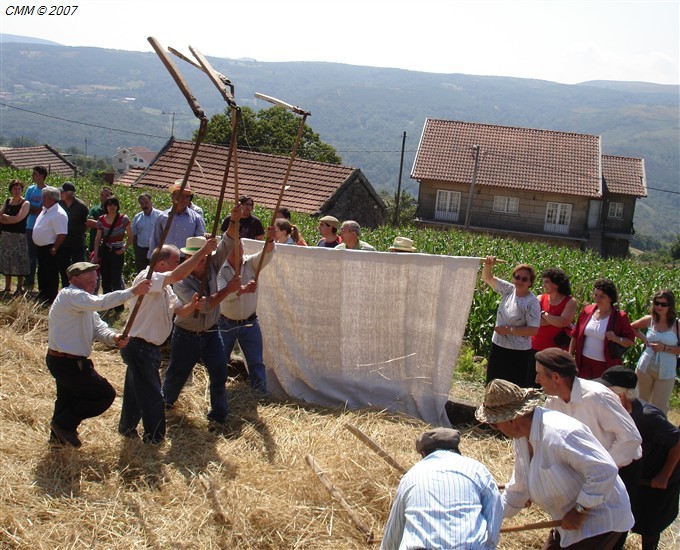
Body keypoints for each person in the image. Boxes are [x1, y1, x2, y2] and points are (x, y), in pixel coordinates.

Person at [475, 379, 634, 550]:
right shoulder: (521, 437)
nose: (495, 428)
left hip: (599, 521)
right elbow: (518, 489)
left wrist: (580, 510)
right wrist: (487, 517)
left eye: (494, 424)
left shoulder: (561, 434)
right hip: (566, 523)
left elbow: (604, 470)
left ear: (511, 420)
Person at [118, 238, 219, 444]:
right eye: (176, 261)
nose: (178, 266)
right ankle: (154, 438)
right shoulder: (147, 278)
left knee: (135, 392)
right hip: (139, 346)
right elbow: (177, 275)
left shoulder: (165, 289)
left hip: (148, 348)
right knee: (153, 396)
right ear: (162, 264)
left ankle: (127, 428)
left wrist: (192, 305)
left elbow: (179, 311)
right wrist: (203, 252)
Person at [46, 261, 151, 447]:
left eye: (95, 281)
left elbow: (98, 327)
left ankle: (58, 441)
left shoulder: (84, 301)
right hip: (66, 362)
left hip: (68, 361)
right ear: (74, 279)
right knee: (103, 395)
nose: (93, 284)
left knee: (67, 399)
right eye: (89, 281)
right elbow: (101, 303)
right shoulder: (70, 295)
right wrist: (132, 291)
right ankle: (63, 425)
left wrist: (114, 337)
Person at [594, 366, 680, 550]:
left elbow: (678, 441)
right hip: (636, 477)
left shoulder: (647, 417)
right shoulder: (612, 414)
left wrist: (664, 475)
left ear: (621, 395)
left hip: (659, 478)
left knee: (649, 525)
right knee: (622, 520)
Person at [162, 232, 244, 426]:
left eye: (205, 257)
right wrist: (229, 289)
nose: (202, 262)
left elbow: (228, 243)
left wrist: (233, 221)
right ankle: (164, 405)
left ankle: (218, 415)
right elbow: (205, 305)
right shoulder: (181, 282)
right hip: (186, 335)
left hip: (211, 332)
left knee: (219, 373)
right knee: (177, 374)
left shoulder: (212, 265)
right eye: (198, 258)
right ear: (189, 259)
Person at [381, 427, 502, 550]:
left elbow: (394, 531)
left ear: (423, 453)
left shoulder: (411, 475)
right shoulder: (477, 470)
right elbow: (495, 512)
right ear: (456, 449)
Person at [534, 347, 642, 469]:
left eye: (539, 374)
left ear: (556, 377)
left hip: (621, 469)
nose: (536, 380)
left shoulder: (597, 397)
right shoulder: (552, 403)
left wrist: (602, 467)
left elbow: (630, 438)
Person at [217, 207, 276, 392]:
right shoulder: (220, 268)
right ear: (228, 252)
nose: (240, 251)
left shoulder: (250, 262)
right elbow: (222, 295)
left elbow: (265, 255)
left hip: (250, 322)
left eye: (241, 248)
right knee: (220, 361)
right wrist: (242, 290)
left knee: (256, 362)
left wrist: (271, 240)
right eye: (235, 249)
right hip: (225, 323)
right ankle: (217, 392)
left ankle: (260, 395)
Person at [481, 256, 540, 386]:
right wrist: (488, 265)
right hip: (498, 346)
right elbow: (487, 278)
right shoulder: (508, 290)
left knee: (512, 390)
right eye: (517, 277)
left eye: (524, 279)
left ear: (530, 282)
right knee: (493, 385)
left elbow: (534, 329)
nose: (519, 281)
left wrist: (509, 330)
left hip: (518, 352)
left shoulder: (532, 302)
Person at [569, 278, 635, 380]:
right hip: (583, 364)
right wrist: (570, 356)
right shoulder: (587, 311)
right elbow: (575, 335)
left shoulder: (620, 317)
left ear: (610, 298)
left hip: (605, 366)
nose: (597, 299)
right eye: (595, 295)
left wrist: (616, 338)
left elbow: (630, 341)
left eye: (602, 297)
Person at [631, 289, 679, 414]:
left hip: (666, 370)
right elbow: (631, 327)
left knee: (660, 408)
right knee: (640, 403)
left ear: (670, 305)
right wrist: (644, 339)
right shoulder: (650, 319)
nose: (659, 306)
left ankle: (658, 433)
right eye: (657, 303)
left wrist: (664, 348)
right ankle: (639, 432)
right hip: (645, 367)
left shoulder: (677, 324)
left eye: (663, 304)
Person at [530, 267, 577, 385]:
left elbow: (564, 322)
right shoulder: (540, 298)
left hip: (555, 351)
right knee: (531, 381)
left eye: (547, 282)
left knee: (552, 384)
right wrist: (554, 319)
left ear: (556, 284)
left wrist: (544, 314)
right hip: (535, 346)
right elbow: (532, 320)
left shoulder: (570, 302)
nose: (543, 285)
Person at [92, 196, 132, 315]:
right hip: (106, 252)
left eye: (114, 204)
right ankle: (107, 304)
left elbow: (130, 236)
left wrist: (124, 248)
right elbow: (98, 238)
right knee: (106, 279)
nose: (112, 207)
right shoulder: (101, 220)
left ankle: (118, 306)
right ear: (106, 206)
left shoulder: (123, 219)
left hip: (117, 252)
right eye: (109, 204)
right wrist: (96, 255)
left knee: (116, 279)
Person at [148, 181, 206, 259]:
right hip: (165, 260)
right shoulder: (162, 217)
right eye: (181, 195)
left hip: (186, 260)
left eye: (187, 196)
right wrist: (152, 258)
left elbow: (201, 242)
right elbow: (155, 239)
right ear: (173, 196)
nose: (184, 199)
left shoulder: (196, 219)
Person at [32, 186, 68, 305]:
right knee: (42, 272)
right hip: (41, 247)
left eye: (44, 197)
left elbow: (62, 233)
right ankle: (43, 294)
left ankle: (50, 297)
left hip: (50, 248)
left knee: (50, 273)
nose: (42, 199)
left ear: (51, 199)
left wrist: (54, 248)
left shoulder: (59, 213)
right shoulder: (45, 210)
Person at [57, 182, 90, 288]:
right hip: (63, 242)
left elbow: (87, 223)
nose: (60, 193)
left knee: (78, 268)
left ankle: (79, 290)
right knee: (63, 268)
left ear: (70, 193)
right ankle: (65, 288)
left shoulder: (81, 206)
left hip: (77, 243)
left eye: (62, 192)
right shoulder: (59, 204)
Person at [0, 179, 30, 295]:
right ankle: (7, 286)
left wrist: (6, 217)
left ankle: (19, 287)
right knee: (7, 259)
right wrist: (10, 220)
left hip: (19, 236)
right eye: (14, 188)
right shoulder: (8, 201)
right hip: (6, 235)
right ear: (11, 189)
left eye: (19, 189)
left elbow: (18, 219)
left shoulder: (25, 203)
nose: (17, 191)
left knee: (19, 260)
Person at [24, 166, 48, 289]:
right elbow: (26, 206)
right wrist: (35, 209)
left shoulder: (48, 191)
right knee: (30, 255)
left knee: (41, 256)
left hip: (42, 228)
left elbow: (44, 210)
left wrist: (34, 209)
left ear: (42, 176)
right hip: (30, 226)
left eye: (35, 173)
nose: (33, 175)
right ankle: (29, 280)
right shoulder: (30, 189)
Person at [131, 193, 161, 273]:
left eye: (146, 202)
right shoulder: (137, 217)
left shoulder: (160, 216)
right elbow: (134, 235)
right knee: (142, 273)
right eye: (142, 203)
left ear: (151, 202)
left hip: (156, 250)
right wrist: (136, 251)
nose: (144, 205)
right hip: (141, 250)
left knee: (157, 273)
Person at [86, 186, 113, 254]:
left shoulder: (113, 210)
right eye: (102, 195)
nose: (104, 198)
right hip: (94, 245)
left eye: (107, 195)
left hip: (110, 246)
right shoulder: (94, 210)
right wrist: (106, 225)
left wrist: (96, 224)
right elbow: (88, 222)